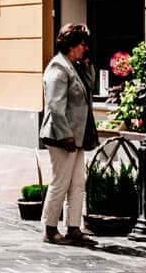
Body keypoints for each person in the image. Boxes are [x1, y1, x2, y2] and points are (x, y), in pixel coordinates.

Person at [40, 23, 97, 247]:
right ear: (72, 45)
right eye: (83, 43)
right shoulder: (58, 68)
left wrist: (87, 65)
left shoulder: (74, 67)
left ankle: (73, 228)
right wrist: (66, 136)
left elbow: (89, 87)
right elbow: (54, 105)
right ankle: (50, 229)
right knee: (60, 182)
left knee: (77, 183)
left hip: (78, 136)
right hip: (62, 137)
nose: (86, 47)